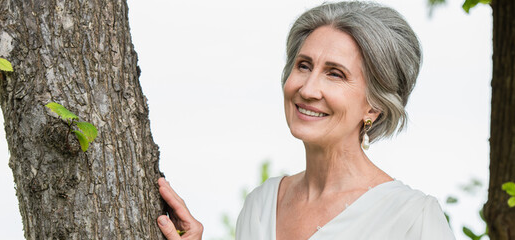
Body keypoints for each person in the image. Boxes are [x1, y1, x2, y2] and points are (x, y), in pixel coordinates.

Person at [156, 2, 456, 239]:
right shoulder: (260, 205)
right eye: (303, 66)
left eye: (335, 73)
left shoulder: (412, 218)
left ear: (374, 106)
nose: (308, 88)